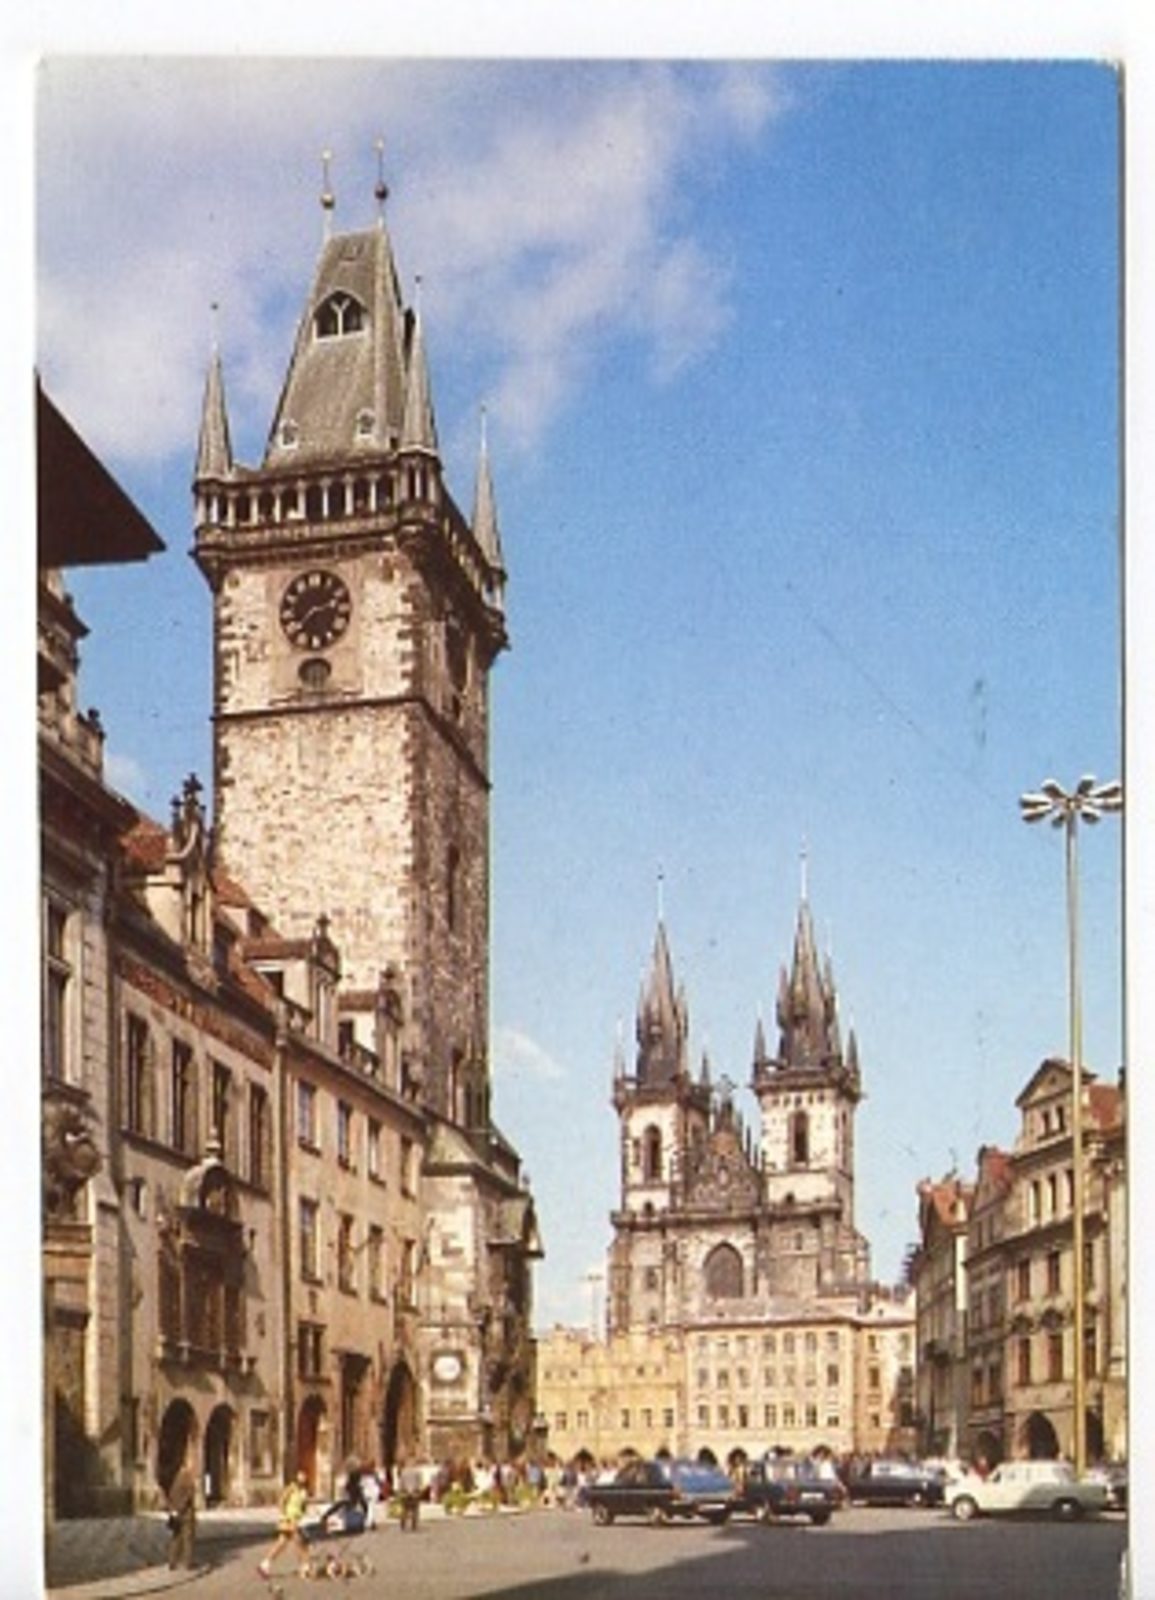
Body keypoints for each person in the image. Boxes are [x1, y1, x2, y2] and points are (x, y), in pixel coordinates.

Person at [258, 1470, 312, 1579]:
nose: (302, 1478)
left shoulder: (304, 1491)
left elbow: (303, 1506)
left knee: (282, 1543)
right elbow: (281, 1502)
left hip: (296, 1520)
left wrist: (304, 1513)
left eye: (304, 1476)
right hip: (288, 1520)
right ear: (296, 1478)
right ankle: (304, 1567)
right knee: (300, 1543)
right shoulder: (291, 1488)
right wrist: (286, 1515)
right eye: (300, 1476)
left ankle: (265, 1564)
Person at [165, 1463, 197, 1571]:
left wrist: (172, 1510)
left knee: (176, 1538)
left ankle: (172, 1562)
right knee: (188, 1538)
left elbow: (170, 1496)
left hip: (175, 1513)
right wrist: (181, 1508)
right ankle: (188, 1562)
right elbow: (189, 1495)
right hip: (186, 1513)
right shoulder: (188, 1480)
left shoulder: (175, 1481)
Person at [398, 1457, 423, 1532]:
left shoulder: (403, 1472)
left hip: (405, 1493)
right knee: (415, 1509)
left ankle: (403, 1524)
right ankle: (413, 1525)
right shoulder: (417, 1472)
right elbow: (419, 1483)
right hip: (415, 1492)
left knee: (405, 1509)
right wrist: (418, 1491)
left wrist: (401, 1491)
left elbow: (401, 1483)